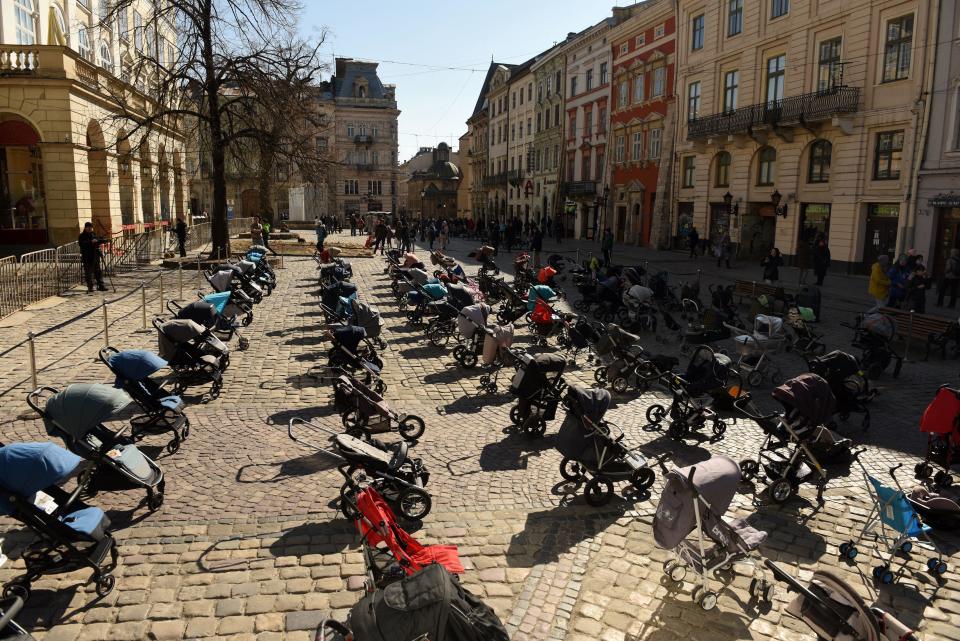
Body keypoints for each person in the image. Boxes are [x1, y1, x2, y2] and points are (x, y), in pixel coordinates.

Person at [79, 222, 107, 293]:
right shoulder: (82, 236)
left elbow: (97, 241)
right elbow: (82, 244)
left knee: (98, 271)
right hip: (87, 257)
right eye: (88, 227)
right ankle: (90, 287)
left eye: (91, 227)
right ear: (85, 228)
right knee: (89, 273)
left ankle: (101, 286)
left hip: (95, 256)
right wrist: (91, 242)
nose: (89, 229)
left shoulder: (93, 234)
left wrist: (102, 240)